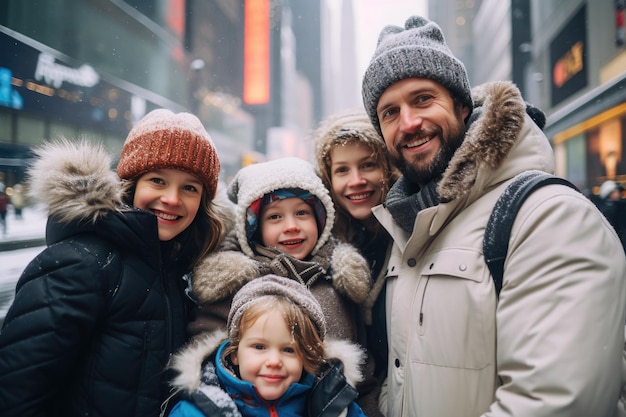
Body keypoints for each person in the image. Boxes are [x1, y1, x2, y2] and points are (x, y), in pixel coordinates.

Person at [360, 15, 626, 417]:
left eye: (422, 99)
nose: (409, 123)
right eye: (390, 112)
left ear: (462, 106)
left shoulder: (546, 216)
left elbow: (558, 404)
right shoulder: (406, 229)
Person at [0, 109, 230, 417]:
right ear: (131, 185)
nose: (173, 199)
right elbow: (17, 393)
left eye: (190, 187)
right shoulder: (80, 263)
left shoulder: (181, 270)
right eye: (158, 180)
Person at [185, 156, 374, 411]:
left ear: (320, 219)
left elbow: (363, 378)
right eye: (275, 217)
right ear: (254, 229)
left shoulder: (337, 286)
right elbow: (208, 371)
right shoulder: (233, 289)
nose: (292, 226)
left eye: (302, 213)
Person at [167, 274, 367, 417]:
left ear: (308, 356)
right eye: (259, 347)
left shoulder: (337, 408)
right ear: (235, 352)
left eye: (288, 350)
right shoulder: (195, 411)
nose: (274, 361)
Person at [313, 108, 399, 416]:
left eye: (368, 165)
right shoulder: (327, 245)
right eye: (342, 170)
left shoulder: (413, 230)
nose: (356, 181)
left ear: (388, 166)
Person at [597, 180, 626, 251]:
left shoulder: (620, 206)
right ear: (609, 194)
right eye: (615, 192)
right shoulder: (608, 209)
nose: (618, 193)